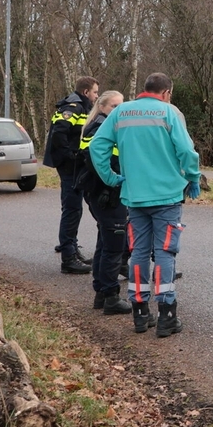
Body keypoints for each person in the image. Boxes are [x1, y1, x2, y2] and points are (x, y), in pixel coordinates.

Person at [89, 73, 201, 337]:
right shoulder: (169, 112)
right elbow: (187, 151)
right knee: (164, 253)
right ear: (166, 93)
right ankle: (166, 315)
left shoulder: (121, 112)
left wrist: (110, 177)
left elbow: (97, 146)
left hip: (135, 196)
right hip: (167, 196)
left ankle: (140, 313)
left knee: (138, 252)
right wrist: (193, 177)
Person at [75, 90, 133, 316]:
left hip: (100, 192)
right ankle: (110, 297)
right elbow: (96, 159)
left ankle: (101, 292)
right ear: (101, 107)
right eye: (114, 106)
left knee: (105, 240)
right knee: (114, 245)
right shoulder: (101, 127)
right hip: (106, 193)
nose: (118, 110)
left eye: (121, 106)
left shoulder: (101, 125)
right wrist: (112, 179)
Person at [43, 76, 99, 274]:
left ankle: (72, 248)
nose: (97, 96)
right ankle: (68, 258)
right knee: (72, 209)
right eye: (95, 92)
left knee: (74, 208)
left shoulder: (81, 107)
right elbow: (59, 133)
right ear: (86, 92)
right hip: (70, 166)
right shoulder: (73, 108)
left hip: (73, 165)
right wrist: (72, 156)